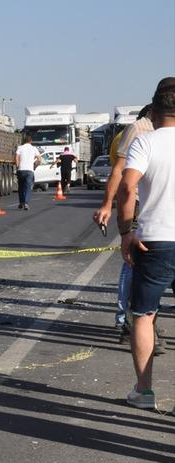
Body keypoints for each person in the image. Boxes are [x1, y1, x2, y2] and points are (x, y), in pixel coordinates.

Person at [116, 77, 175, 410]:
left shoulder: (146, 143)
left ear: (153, 109)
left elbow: (128, 188)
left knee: (143, 315)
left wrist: (127, 230)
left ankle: (144, 391)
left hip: (153, 241)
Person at [93, 104, 154, 337]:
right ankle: (129, 319)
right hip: (139, 204)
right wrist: (109, 205)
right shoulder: (136, 130)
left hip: (154, 205)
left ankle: (136, 319)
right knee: (133, 261)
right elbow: (120, 174)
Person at [14, 135, 41, 210]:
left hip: (21, 170)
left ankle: (21, 203)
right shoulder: (34, 148)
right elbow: (39, 159)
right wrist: (34, 166)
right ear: (31, 141)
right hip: (29, 170)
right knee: (28, 187)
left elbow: (16, 157)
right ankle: (26, 203)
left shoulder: (20, 147)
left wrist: (17, 166)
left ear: (24, 141)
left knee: (21, 187)